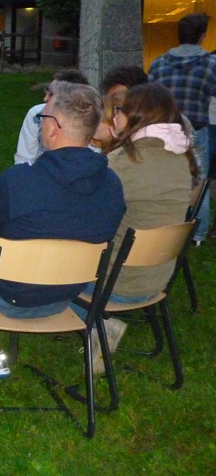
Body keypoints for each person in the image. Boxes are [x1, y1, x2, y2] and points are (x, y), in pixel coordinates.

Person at [0, 82, 125, 378]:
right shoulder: (112, 185)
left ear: (53, 128)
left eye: (42, 118)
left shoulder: (21, 181)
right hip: (71, 291)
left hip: (14, 294)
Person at [81, 83, 197, 372]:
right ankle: (101, 321)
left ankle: (102, 321)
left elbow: (80, 214)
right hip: (157, 281)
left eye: (120, 110)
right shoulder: (180, 158)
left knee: (43, 269)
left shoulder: (125, 162)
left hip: (116, 285)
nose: (115, 116)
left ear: (136, 116)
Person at [149, 12, 216, 245]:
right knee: (199, 180)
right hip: (196, 130)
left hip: (163, 130)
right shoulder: (210, 64)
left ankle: (163, 224)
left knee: (164, 178)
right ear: (202, 36)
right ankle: (197, 233)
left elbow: (150, 96)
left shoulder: (158, 63)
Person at [14, 69, 89, 164]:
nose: (45, 98)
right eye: (47, 90)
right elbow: (24, 158)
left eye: (52, 94)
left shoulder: (90, 121)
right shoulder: (36, 114)